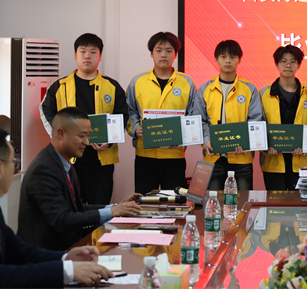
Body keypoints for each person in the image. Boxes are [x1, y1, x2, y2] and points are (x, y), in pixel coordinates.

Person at [0, 126, 117, 287]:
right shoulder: (45, 167)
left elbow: (18, 251)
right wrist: (66, 270)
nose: (15, 168)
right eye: (14, 162)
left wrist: (65, 258)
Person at [18, 107, 141, 251]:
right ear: (61, 134)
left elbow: (77, 208)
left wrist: (116, 207)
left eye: (88, 136)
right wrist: (112, 212)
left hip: (68, 247)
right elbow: (62, 220)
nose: (87, 142)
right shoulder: (44, 169)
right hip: (47, 254)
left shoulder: (64, 162)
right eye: (82, 136)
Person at [39, 33, 129, 204]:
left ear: (100, 56)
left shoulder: (112, 87)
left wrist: (110, 141)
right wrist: (60, 137)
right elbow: (46, 111)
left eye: (93, 52)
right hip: (69, 160)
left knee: (99, 209)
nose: (87, 56)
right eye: (83, 51)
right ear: (75, 55)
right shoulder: (60, 86)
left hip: (101, 161)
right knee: (70, 208)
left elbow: (123, 115)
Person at [126, 32, 196, 194]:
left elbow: (193, 115)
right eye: (158, 50)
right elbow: (129, 110)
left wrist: (184, 136)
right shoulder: (138, 81)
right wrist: (135, 128)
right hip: (145, 155)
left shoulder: (187, 83)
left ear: (175, 54)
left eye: (169, 50)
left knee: (174, 203)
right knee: (144, 202)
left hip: (174, 155)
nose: (163, 54)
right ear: (151, 53)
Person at [194, 40, 263, 191]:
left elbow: (255, 120)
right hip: (213, 157)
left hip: (241, 157)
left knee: (243, 201)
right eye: (223, 57)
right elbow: (199, 121)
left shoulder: (249, 89)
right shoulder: (205, 89)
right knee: (214, 201)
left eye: (232, 57)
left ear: (239, 60)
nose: (227, 61)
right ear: (216, 59)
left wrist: (246, 143)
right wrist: (206, 141)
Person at [259, 45, 307, 191]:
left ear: (298, 65)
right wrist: (265, 146)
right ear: (276, 64)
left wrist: (306, 145)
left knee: (299, 204)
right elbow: (258, 124)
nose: (288, 65)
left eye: (293, 61)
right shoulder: (264, 93)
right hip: (273, 160)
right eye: (283, 61)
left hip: (301, 161)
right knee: (275, 203)